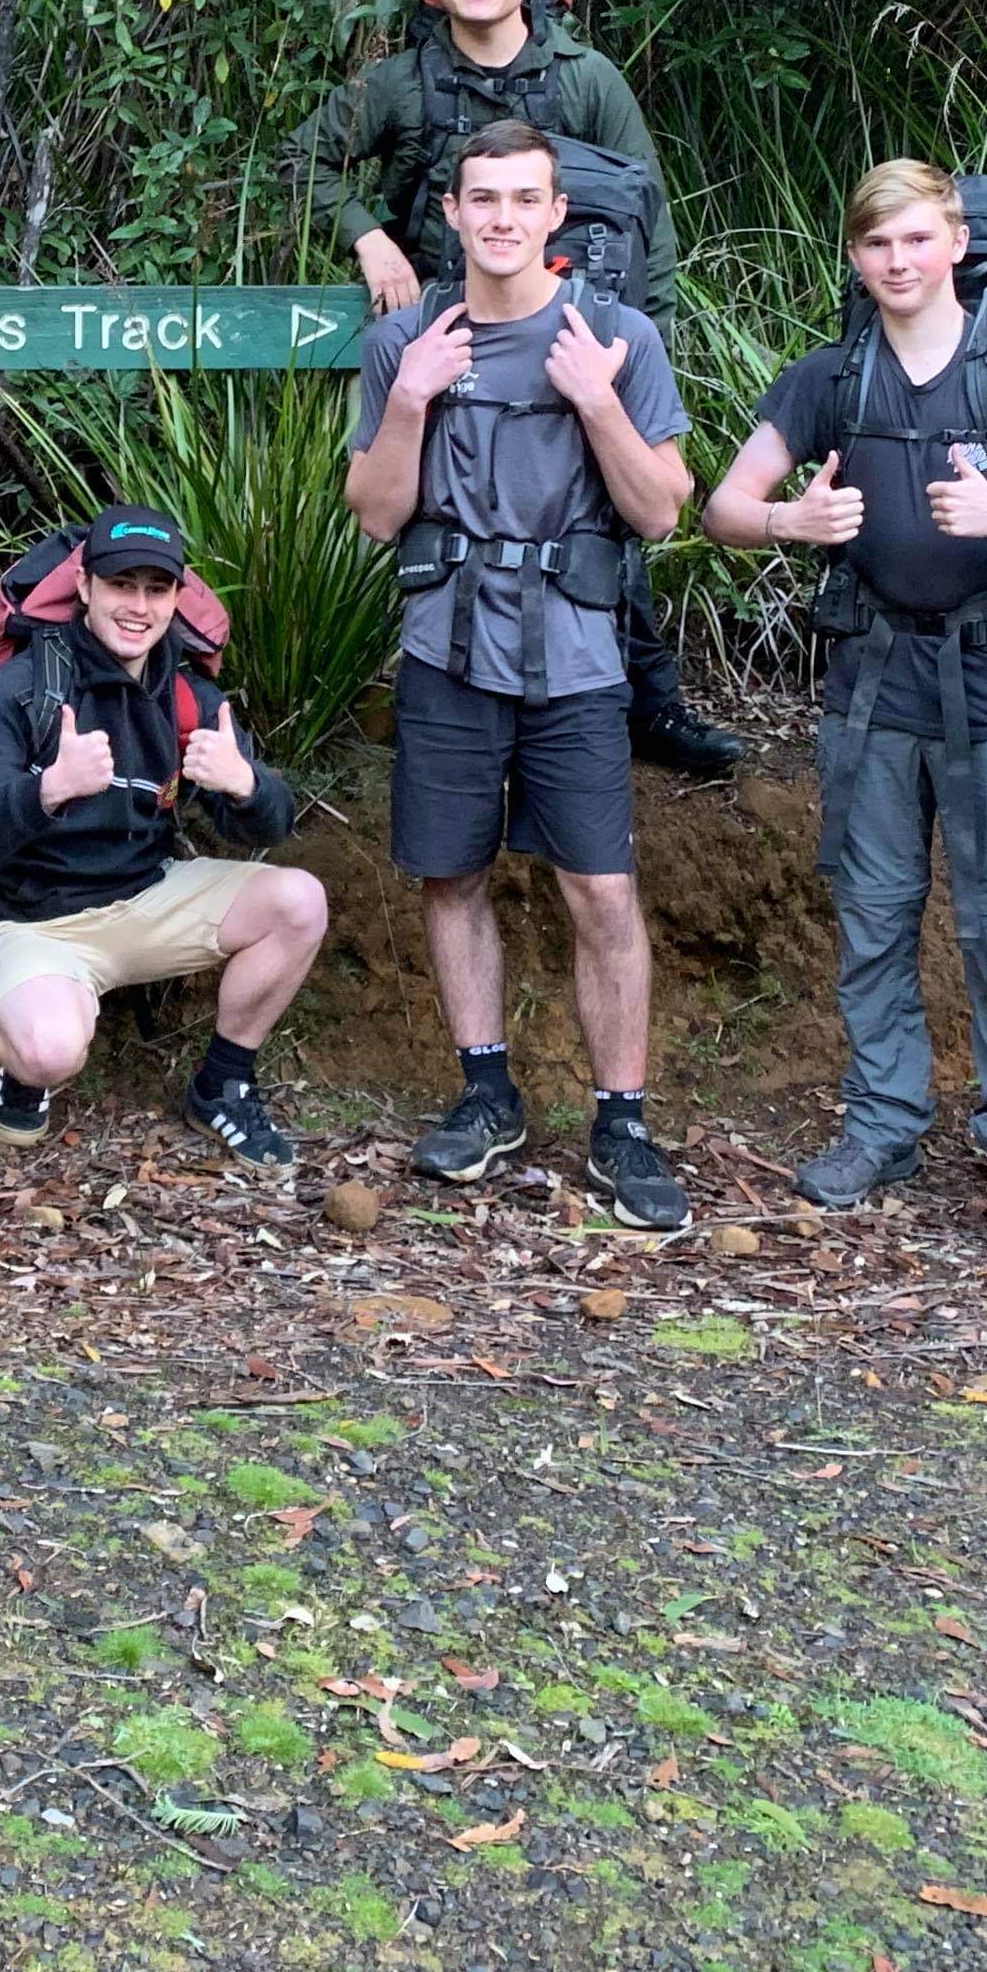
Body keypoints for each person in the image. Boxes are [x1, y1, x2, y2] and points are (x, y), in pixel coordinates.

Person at [702, 163, 987, 1246]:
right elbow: (722, 505)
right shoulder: (828, 378)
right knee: (875, 914)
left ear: (954, 245)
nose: (897, 263)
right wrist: (787, 527)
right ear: (854, 258)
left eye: (915, 241)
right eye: (875, 245)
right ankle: (885, 1121)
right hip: (873, 684)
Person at [293, 0, 742, 780]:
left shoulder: (585, 81)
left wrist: (639, 344)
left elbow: (645, 215)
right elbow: (304, 158)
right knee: (439, 512)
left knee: (605, 515)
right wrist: (372, 238)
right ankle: (437, 697)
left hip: (580, 330)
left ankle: (649, 707)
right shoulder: (402, 84)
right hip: (450, 340)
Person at [346, 118, 698, 1226]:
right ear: (451, 215)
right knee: (452, 872)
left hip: (579, 652)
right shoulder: (406, 341)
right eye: (481, 199)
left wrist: (596, 398)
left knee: (599, 885)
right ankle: (485, 1092)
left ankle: (624, 1122)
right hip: (448, 644)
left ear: (557, 216)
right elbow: (373, 517)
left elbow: (658, 509)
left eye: (523, 200)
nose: (501, 218)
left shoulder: (618, 334)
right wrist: (410, 400)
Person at [0, 506, 329, 1170]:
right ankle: (26, 1072)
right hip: (34, 924)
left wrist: (245, 785)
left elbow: (273, 826)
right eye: (122, 585)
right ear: (86, 588)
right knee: (50, 1049)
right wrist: (48, 790)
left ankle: (223, 1085)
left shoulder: (186, 694)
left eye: (156, 589)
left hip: (147, 899)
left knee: (300, 902)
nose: (138, 606)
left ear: (177, 599)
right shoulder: (27, 687)